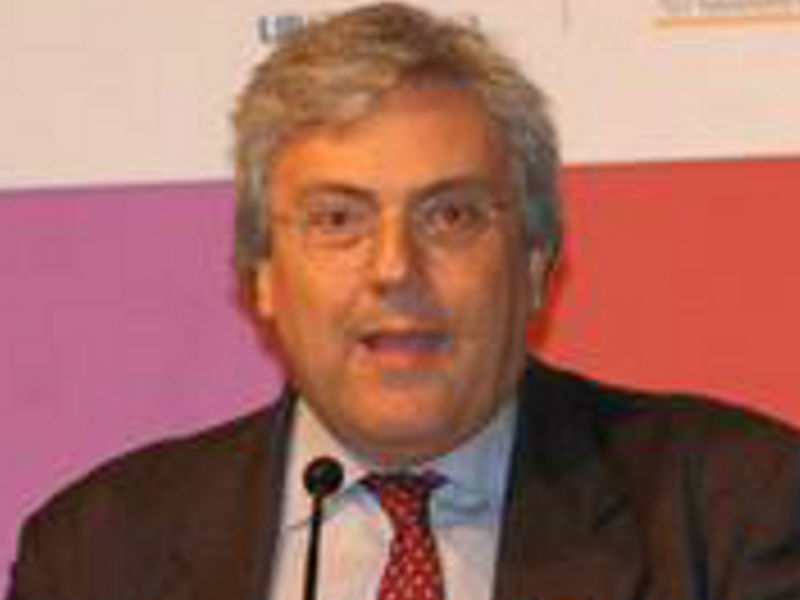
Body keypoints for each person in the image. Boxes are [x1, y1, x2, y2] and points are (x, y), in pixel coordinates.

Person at [7, 3, 800, 600]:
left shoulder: (733, 512)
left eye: (449, 216)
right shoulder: (99, 554)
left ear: (535, 264)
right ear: (263, 275)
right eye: (337, 219)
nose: (394, 268)